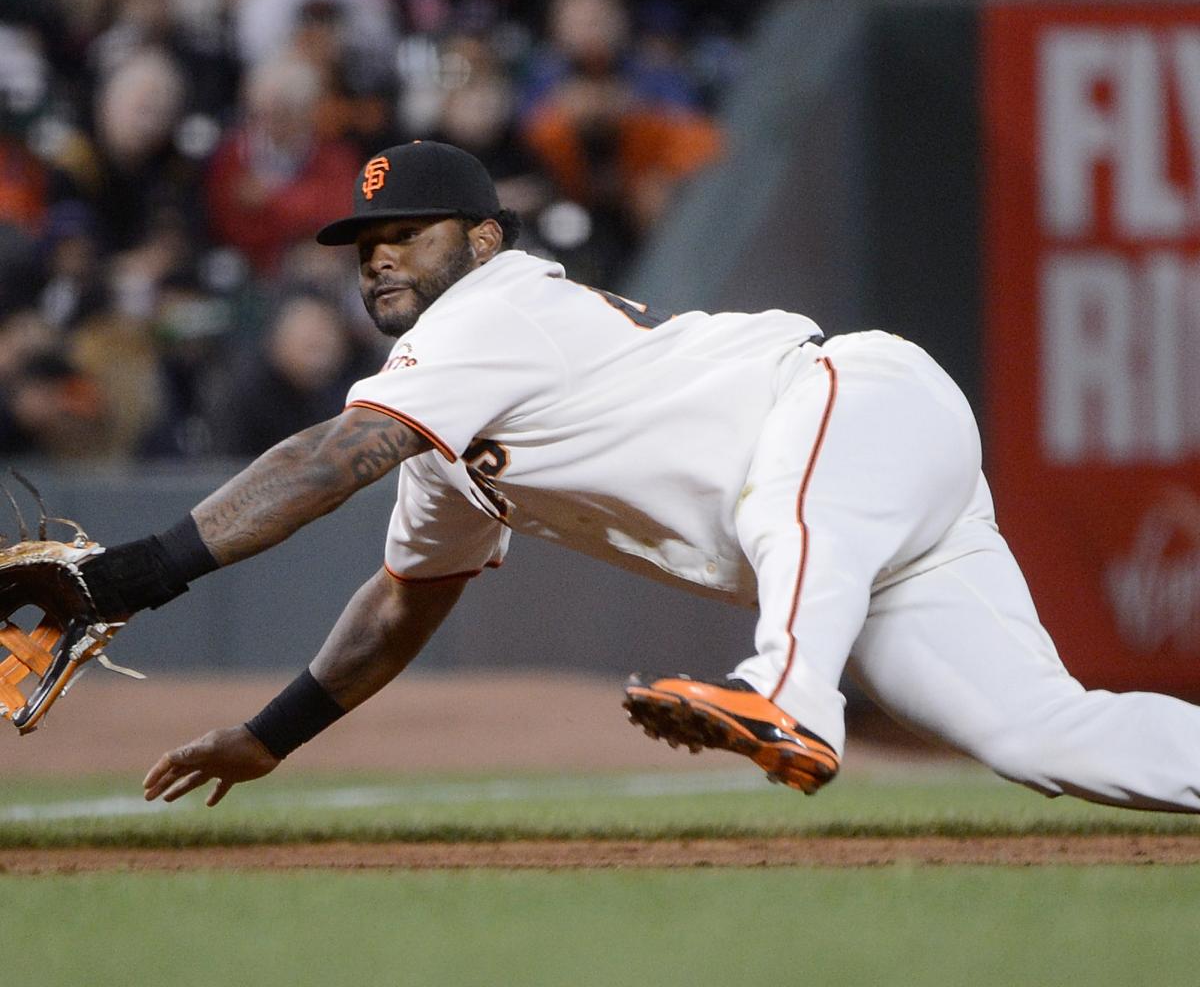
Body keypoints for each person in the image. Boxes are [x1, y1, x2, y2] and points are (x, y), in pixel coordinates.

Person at [76, 140, 1200, 812]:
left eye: (405, 231)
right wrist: (272, 735)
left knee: (784, 515)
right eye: (363, 240)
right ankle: (794, 695)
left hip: (849, 406)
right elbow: (406, 598)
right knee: (1044, 736)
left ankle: (789, 703)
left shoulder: (494, 307)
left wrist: (124, 577)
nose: (376, 253)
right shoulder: (444, 420)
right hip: (870, 508)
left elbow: (329, 459)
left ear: (480, 240)